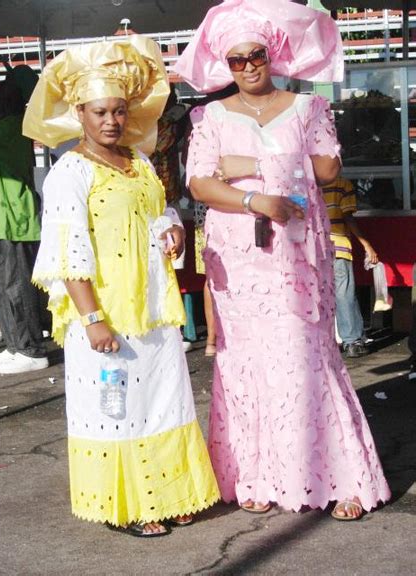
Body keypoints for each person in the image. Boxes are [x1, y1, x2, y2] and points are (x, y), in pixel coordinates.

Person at [175, 0, 391, 520]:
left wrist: (245, 165)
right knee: (244, 366)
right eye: (236, 60)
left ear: (271, 53)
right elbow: (201, 182)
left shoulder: (309, 108)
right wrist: (254, 196)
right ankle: (254, 475)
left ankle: (342, 479)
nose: (248, 66)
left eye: (255, 55)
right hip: (240, 260)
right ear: (225, 66)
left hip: (296, 259)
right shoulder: (208, 116)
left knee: (304, 361)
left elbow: (325, 171)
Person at [23, 38, 220, 537]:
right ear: (79, 115)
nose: (110, 121)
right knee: (117, 410)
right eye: (99, 112)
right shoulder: (70, 172)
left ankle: (173, 493)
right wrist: (92, 320)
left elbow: (159, 213)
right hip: (106, 315)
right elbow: (68, 251)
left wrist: (172, 228)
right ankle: (126, 505)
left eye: (118, 111)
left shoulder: (140, 162)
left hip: (153, 307)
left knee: (164, 400)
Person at [0, 66, 48, 373]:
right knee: (2, 283)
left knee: (15, 286)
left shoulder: (13, 126)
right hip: (7, 220)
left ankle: (31, 349)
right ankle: (16, 344)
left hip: (16, 221)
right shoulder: (14, 124)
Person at [323, 176, 378, 358]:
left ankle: (353, 336)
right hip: (338, 247)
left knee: (329, 294)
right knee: (345, 294)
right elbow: (348, 216)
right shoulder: (342, 185)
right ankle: (352, 341)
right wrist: (366, 244)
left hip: (315, 250)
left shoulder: (308, 182)